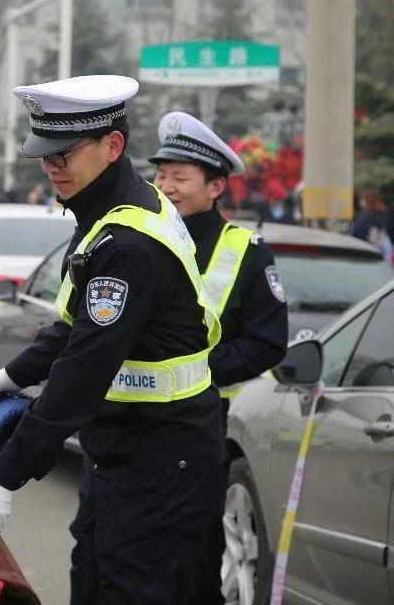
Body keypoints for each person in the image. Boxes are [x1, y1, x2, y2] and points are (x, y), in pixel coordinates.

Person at [0, 76, 225, 604]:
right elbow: (74, 326)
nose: (52, 167)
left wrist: (5, 477)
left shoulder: (125, 242)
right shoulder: (109, 209)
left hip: (163, 456)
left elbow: (83, 370)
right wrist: (13, 374)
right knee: (95, 580)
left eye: (65, 154)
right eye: (44, 155)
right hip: (125, 448)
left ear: (114, 146)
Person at [150, 112, 290, 599]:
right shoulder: (142, 236)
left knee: (188, 563)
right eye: (161, 175)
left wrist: (199, 374)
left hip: (200, 428)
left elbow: (268, 342)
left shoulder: (245, 252)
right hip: (127, 427)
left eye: (179, 177)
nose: (166, 186)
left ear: (215, 187)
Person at [351, 188, 394, 262]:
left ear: (367, 201)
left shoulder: (366, 218)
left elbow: (356, 232)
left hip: (364, 253)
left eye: (362, 199)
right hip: (381, 254)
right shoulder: (384, 215)